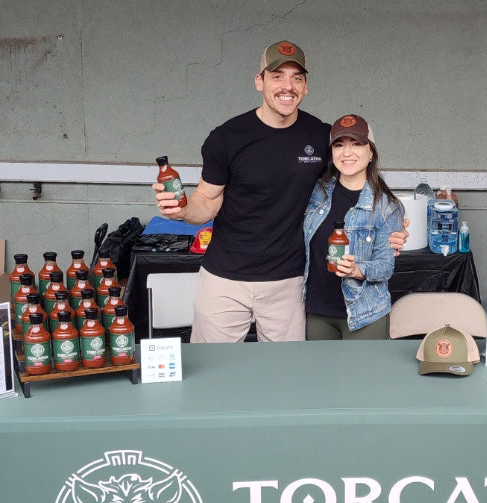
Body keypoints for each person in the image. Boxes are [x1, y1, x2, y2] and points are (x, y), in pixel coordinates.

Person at [154, 40, 407, 343]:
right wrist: (182, 211)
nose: (287, 86)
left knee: (285, 378)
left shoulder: (320, 136)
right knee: (213, 372)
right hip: (225, 278)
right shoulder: (226, 138)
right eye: (277, 76)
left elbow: (356, 179)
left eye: (296, 77)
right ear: (259, 81)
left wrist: (393, 224)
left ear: (306, 86)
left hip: (288, 282)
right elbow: (207, 200)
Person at [303, 115, 404, 340]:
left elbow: (386, 267)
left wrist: (357, 270)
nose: (347, 153)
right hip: (317, 312)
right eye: (339, 145)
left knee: (363, 376)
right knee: (318, 376)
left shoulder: (387, 207)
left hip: (365, 314)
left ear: (371, 153)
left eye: (356, 144)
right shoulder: (315, 193)